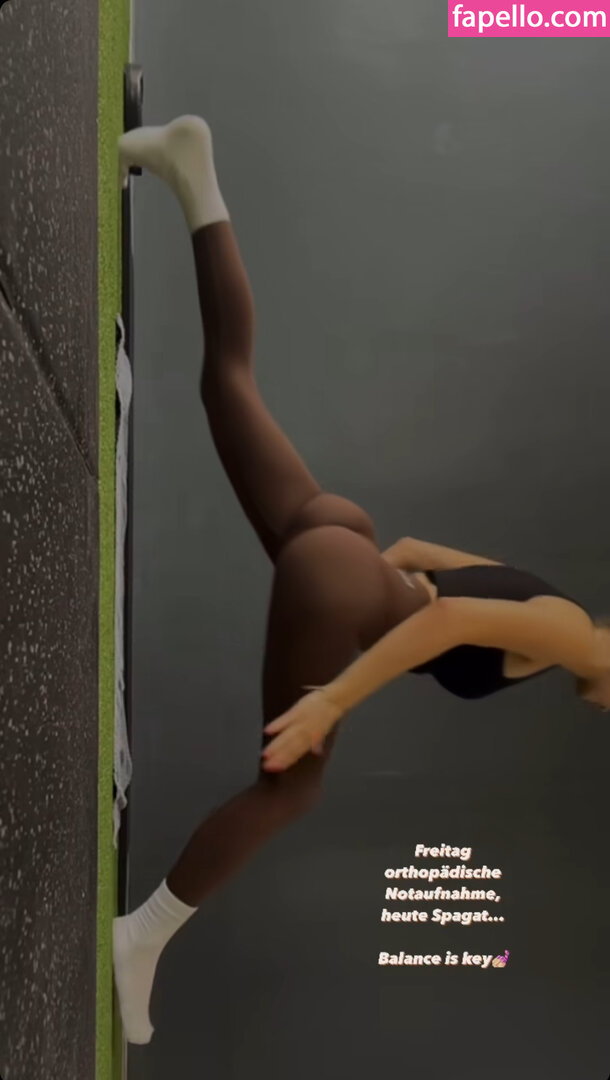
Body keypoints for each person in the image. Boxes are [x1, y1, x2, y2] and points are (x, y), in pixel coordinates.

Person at [113, 115, 610, 1045]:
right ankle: (138, 939)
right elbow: (448, 620)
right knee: (290, 791)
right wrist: (331, 699)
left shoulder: (561, 610)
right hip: (340, 576)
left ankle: (190, 170)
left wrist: (347, 582)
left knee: (230, 380)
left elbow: (419, 554)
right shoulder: (575, 637)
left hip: (343, 539)